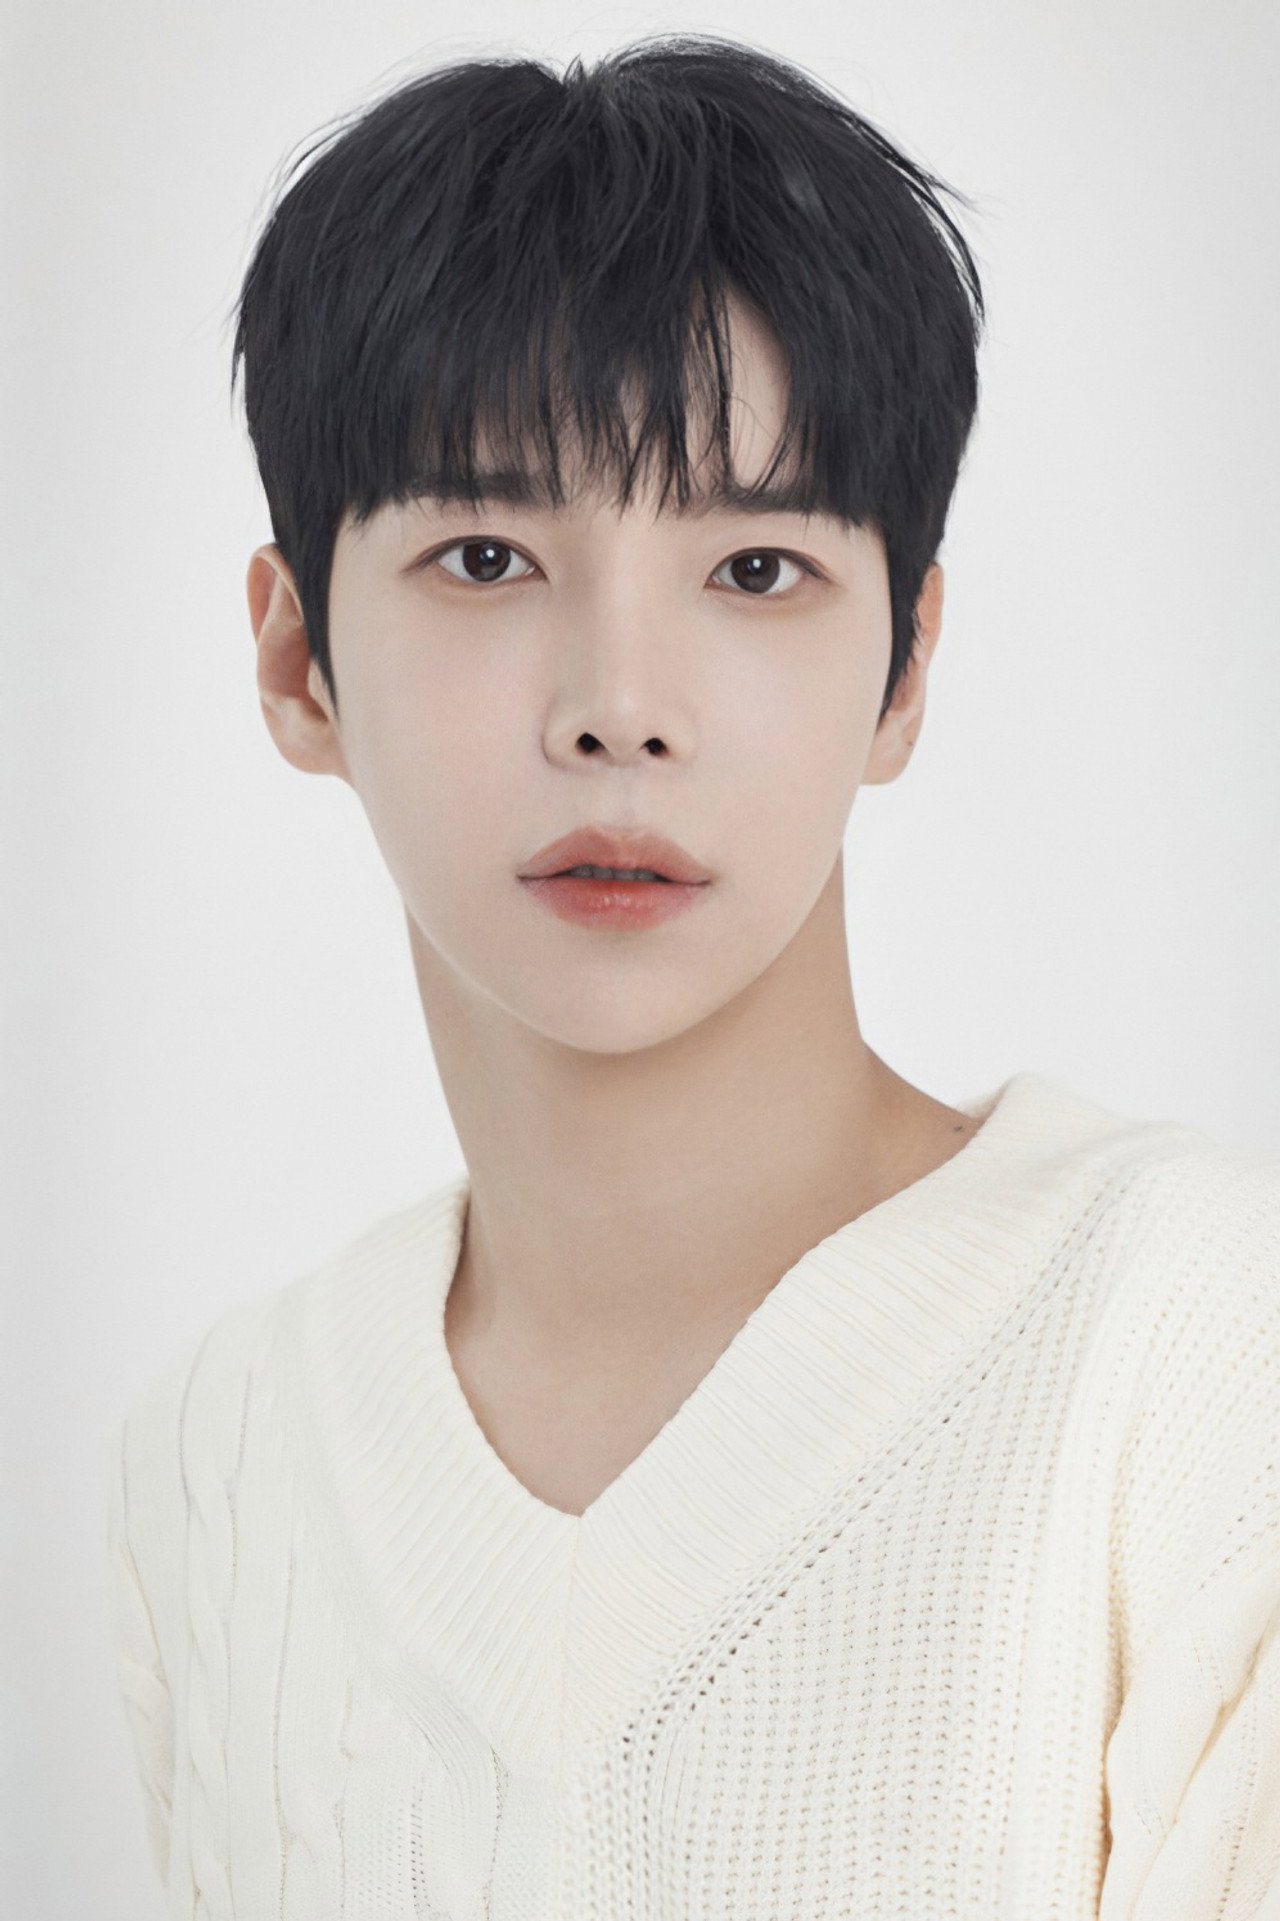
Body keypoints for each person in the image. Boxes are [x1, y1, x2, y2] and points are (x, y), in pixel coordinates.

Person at [104, 34, 1280, 1919]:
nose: (619, 711)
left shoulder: (1198, 1354)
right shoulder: (217, 1460)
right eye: (485, 554)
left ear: (904, 668)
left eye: (754, 570)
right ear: (296, 658)